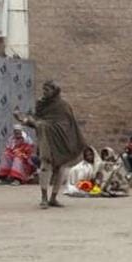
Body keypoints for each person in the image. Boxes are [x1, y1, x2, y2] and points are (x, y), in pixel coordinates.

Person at [15, 81, 89, 209]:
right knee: (45, 166)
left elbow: (66, 124)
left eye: (47, 90)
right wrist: (23, 119)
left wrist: (42, 125)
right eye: (43, 90)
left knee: (60, 168)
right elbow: (36, 122)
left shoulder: (63, 106)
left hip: (60, 140)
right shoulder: (41, 105)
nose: (44, 92)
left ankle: (53, 198)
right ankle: (44, 198)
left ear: (54, 91)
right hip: (46, 140)